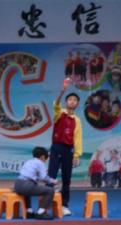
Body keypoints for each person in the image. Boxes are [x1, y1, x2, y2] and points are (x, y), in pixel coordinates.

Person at [48, 79, 83, 216]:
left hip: (68, 150)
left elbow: (77, 138)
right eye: (70, 100)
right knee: (51, 177)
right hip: (56, 148)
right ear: (66, 102)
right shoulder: (59, 113)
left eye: (75, 100)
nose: (72, 102)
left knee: (66, 179)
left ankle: (64, 205)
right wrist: (62, 92)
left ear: (77, 104)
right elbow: (56, 104)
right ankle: (47, 205)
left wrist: (76, 155)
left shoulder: (77, 120)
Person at [14, 146, 57, 217]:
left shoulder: (29, 161)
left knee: (28, 191)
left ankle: (29, 211)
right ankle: (41, 212)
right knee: (50, 190)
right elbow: (44, 177)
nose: (45, 161)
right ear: (43, 157)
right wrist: (53, 181)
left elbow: (30, 175)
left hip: (17, 185)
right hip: (27, 185)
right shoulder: (40, 163)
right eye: (46, 159)